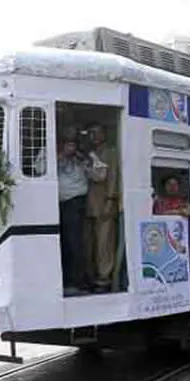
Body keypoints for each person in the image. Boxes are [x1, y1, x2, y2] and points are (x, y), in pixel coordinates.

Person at [85, 123, 119, 293]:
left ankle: (105, 277)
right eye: (91, 133)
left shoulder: (110, 152)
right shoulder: (93, 153)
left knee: (105, 242)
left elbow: (111, 176)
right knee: (94, 242)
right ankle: (95, 275)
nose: (94, 136)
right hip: (91, 203)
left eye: (97, 132)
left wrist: (110, 199)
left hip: (105, 202)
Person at [57, 127, 90, 294]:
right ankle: (65, 279)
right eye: (67, 143)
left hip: (75, 202)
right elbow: (39, 168)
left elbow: (97, 175)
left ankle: (77, 281)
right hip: (58, 203)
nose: (70, 147)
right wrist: (60, 157)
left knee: (74, 242)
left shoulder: (82, 158)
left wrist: (83, 161)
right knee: (62, 242)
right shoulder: (54, 156)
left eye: (73, 144)